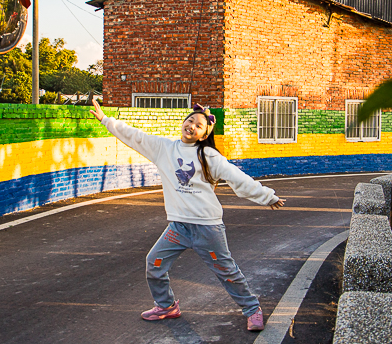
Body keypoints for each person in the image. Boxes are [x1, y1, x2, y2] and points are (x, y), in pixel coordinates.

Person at [89, 98, 285, 332]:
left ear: (203, 135)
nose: (192, 125)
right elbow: (136, 136)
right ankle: (166, 306)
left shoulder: (209, 156)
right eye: (190, 120)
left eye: (199, 125)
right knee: (154, 263)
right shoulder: (164, 149)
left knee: (227, 271)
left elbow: (237, 177)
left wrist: (267, 196)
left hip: (207, 228)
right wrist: (106, 121)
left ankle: (252, 309)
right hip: (178, 228)